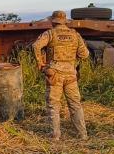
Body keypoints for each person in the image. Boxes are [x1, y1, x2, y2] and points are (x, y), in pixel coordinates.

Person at [32, 10, 89, 141]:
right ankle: (82, 134)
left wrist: (40, 63)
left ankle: (55, 135)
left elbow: (36, 46)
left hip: (54, 74)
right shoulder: (75, 35)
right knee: (75, 104)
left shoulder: (50, 33)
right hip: (71, 75)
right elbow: (85, 55)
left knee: (53, 105)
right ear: (65, 21)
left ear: (53, 21)